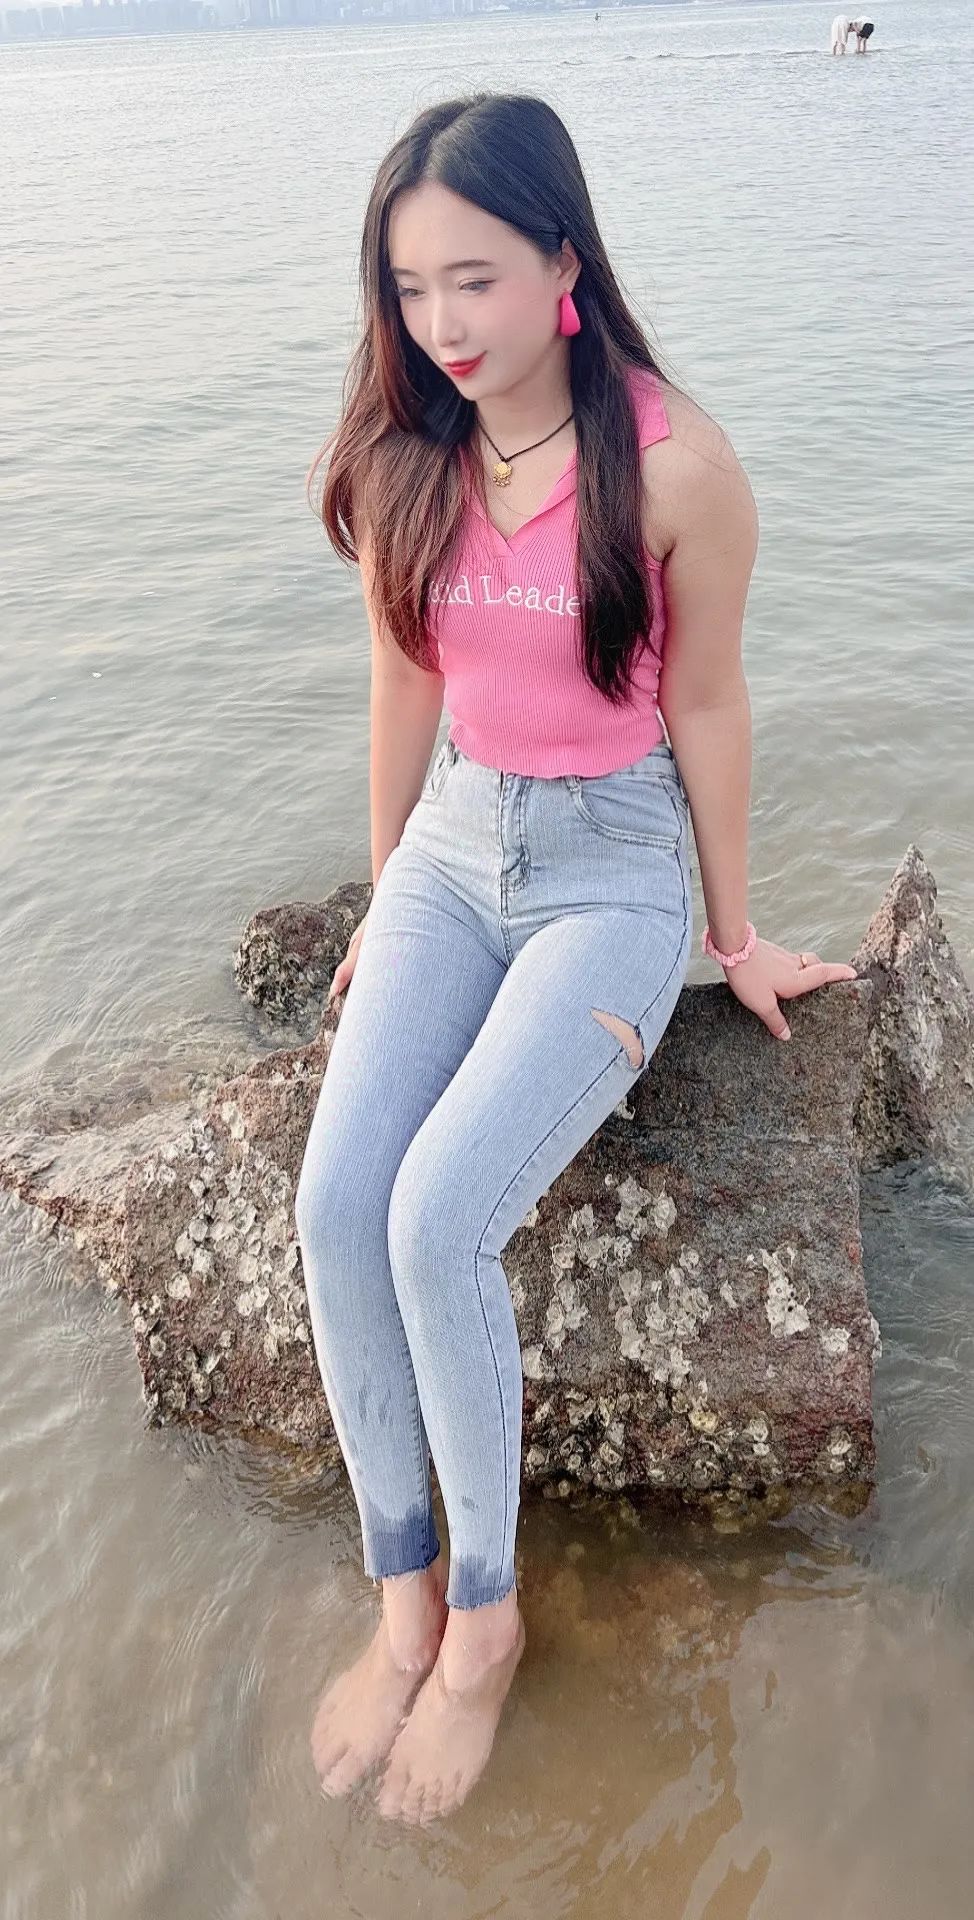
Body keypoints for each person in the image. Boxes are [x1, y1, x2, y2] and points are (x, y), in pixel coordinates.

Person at [297, 90, 858, 1828]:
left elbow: (707, 703)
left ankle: (483, 1627)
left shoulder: (674, 464)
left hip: (609, 870)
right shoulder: (412, 447)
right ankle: (402, 1592)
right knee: (334, 1203)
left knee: (435, 1214)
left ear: (561, 261)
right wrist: (385, 896)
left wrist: (731, 935)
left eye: (471, 279)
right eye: (409, 289)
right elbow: (404, 679)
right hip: (454, 854)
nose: (441, 325)